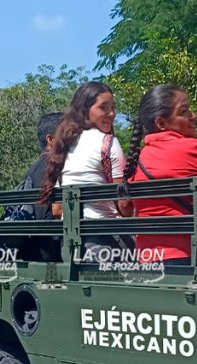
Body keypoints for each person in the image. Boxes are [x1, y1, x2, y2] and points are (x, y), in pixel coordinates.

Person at [124, 84, 197, 265]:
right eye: (184, 112)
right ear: (161, 123)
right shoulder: (196, 149)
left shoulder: (136, 159)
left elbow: (126, 207)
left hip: (146, 260)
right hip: (190, 256)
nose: (194, 116)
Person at [37, 82, 133, 258]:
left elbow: (57, 210)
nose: (111, 114)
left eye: (113, 107)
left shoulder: (62, 145)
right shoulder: (108, 142)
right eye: (103, 107)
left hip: (72, 246)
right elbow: (125, 205)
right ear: (85, 110)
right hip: (109, 243)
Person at [2, 112, 62, 260]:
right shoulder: (57, 166)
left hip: (34, 252)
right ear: (51, 139)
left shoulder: (33, 169)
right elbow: (57, 210)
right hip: (52, 254)